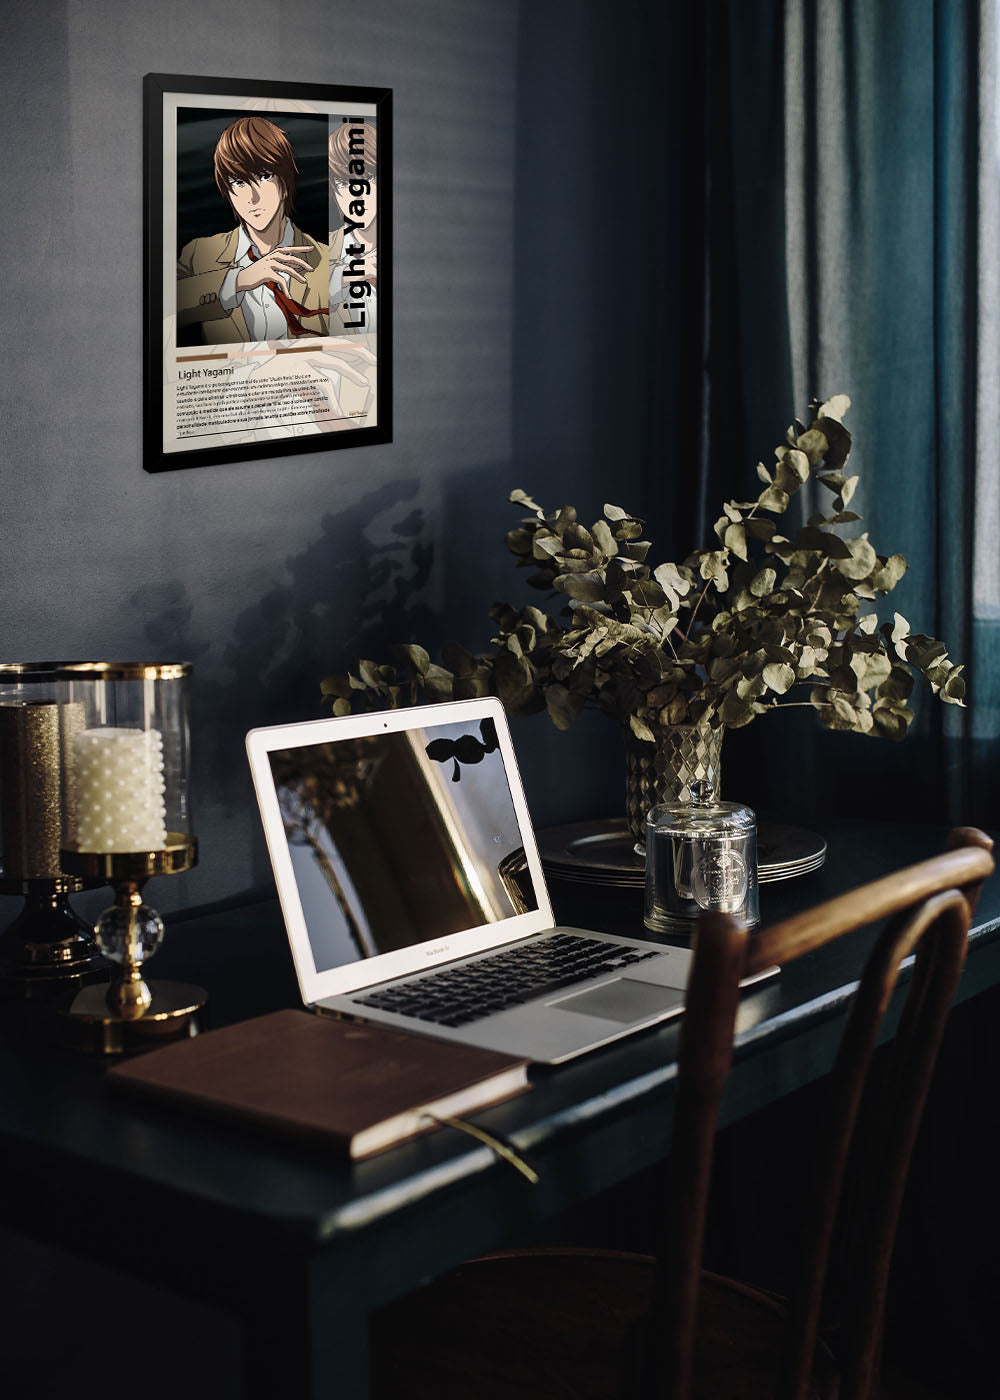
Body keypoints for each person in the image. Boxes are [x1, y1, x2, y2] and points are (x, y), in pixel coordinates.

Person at [177, 116, 330, 345]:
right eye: (238, 182)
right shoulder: (199, 254)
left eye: (265, 176)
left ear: (285, 183)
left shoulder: (328, 260)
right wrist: (238, 281)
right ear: (227, 192)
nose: (252, 197)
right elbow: (159, 308)